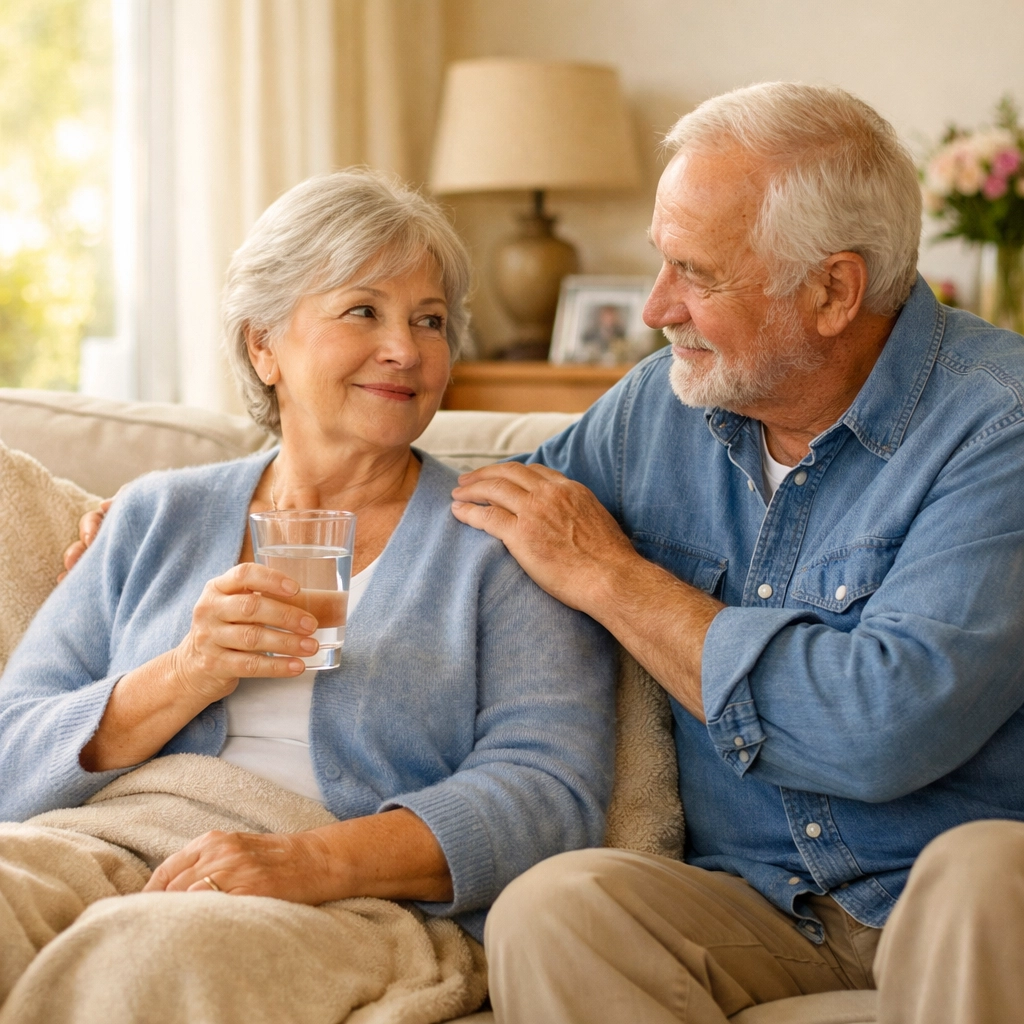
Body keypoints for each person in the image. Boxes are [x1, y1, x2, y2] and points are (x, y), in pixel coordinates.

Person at [449, 83, 1024, 1023]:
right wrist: (220, 513)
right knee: (560, 909)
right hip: (758, 902)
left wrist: (613, 579)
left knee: (984, 871)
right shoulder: (654, 407)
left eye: (695, 272)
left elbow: (881, 726)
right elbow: (474, 521)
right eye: (658, 262)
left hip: (958, 894)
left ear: (833, 290)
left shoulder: (1000, 426)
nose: (653, 307)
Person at [0, 169, 614, 1020]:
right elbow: (8, 753)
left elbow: (551, 796)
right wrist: (186, 672)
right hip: (111, 839)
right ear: (264, 346)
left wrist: (309, 862)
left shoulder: (499, 540)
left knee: (147, 956)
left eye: (428, 321)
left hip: (344, 900)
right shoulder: (153, 514)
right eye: (363, 311)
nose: (404, 348)